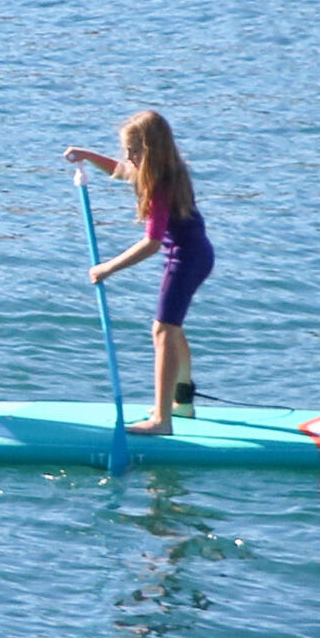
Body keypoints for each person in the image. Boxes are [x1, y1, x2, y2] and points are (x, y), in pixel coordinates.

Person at [64, 110, 215, 435]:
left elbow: (151, 243)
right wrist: (88, 157)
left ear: (151, 150)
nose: (128, 158)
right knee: (171, 329)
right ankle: (182, 403)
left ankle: (162, 421)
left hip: (187, 258)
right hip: (195, 254)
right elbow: (121, 172)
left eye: (134, 151)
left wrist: (107, 268)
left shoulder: (163, 184)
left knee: (162, 331)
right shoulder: (164, 170)